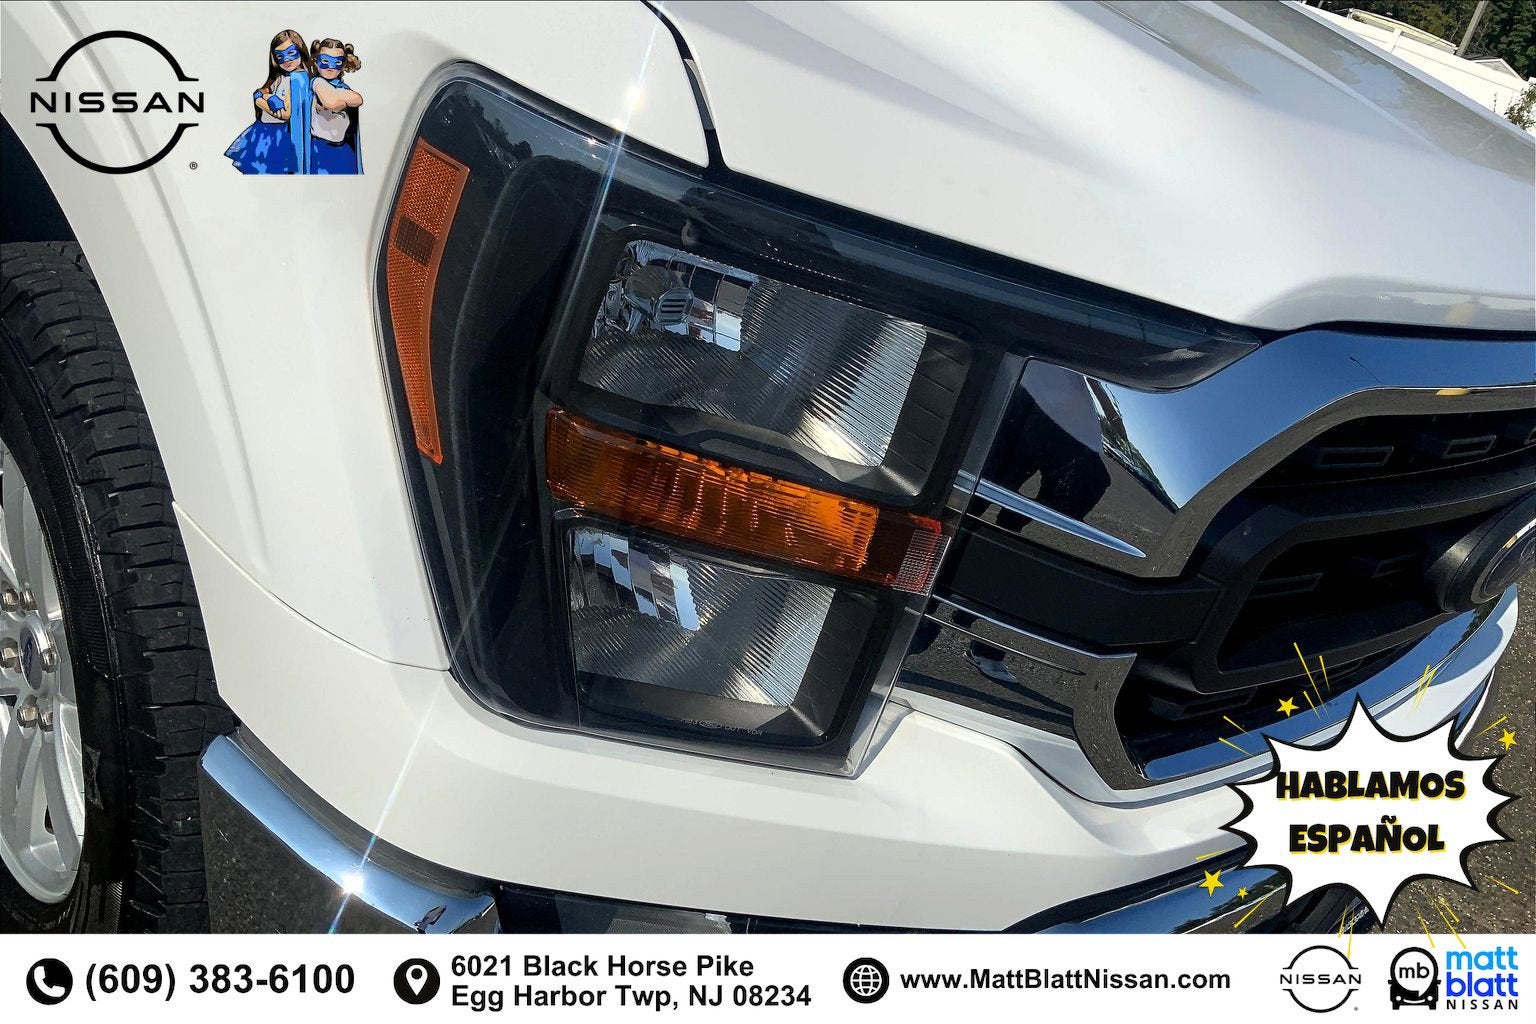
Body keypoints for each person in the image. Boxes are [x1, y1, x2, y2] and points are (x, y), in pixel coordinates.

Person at [225, 30, 314, 174]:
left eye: (291, 52)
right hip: (263, 133)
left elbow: (284, 113)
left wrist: (259, 100)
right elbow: (264, 90)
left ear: (300, 50)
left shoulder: (297, 79)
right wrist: (267, 97)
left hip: (278, 136)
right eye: (280, 56)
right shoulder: (282, 77)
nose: (286, 59)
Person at [309, 39, 363, 174]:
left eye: (337, 62)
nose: (330, 67)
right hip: (320, 147)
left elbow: (358, 99)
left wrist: (339, 99)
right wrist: (342, 100)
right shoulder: (317, 82)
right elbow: (332, 103)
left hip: (342, 146)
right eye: (325, 61)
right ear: (316, 62)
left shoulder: (341, 86)